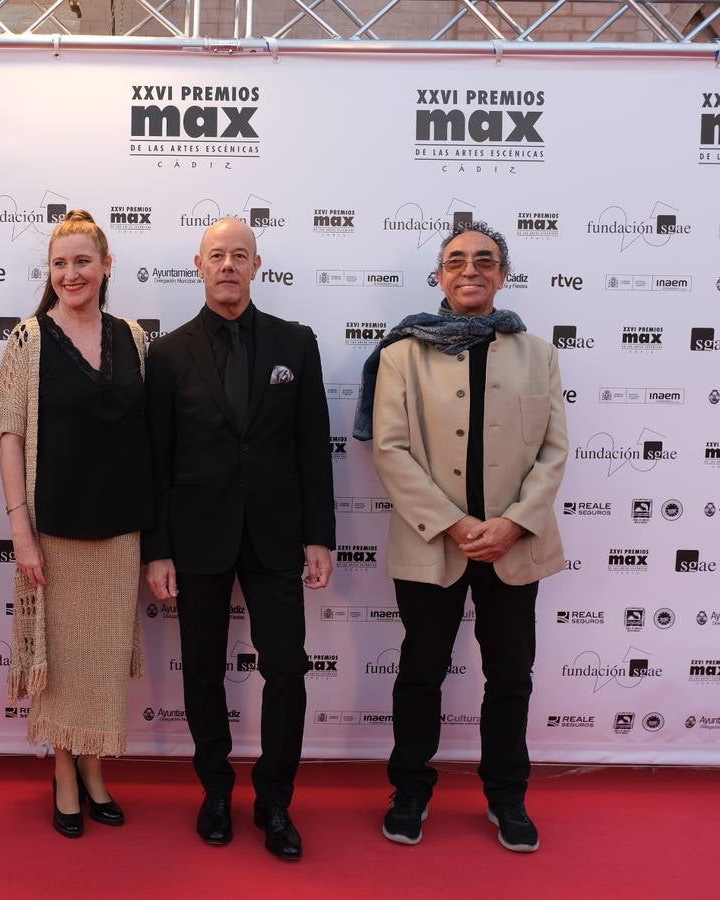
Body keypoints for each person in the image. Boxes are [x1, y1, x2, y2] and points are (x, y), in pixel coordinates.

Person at [354, 221, 567, 853]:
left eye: (485, 260)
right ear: (440, 275)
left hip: (514, 543)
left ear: (502, 274)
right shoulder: (402, 353)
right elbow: (389, 449)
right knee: (420, 672)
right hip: (432, 542)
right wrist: (455, 524)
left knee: (511, 677)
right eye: (456, 260)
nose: (469, 269)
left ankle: (507, 796)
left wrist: (512, 523)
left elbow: (554, 450)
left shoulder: (538, 352)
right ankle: (410, 791)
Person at [144, 217, 335, 860]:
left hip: (278, 536)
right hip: (197, 537)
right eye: (217, 254)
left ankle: (276, 801)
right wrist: (159, 547)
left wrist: (320, 535)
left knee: (285, 666)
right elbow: (158, 461)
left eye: (240, 255)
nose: (228, 264)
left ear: (258, 265)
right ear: (199, 265)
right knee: (201, 670)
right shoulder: (168, 354)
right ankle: (217, 791)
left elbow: (313, 448)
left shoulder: (296, 342)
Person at [0, 210, 151, 838]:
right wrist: (21, 532)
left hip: (119, 531)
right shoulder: (29, 341)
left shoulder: (135, 337)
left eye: (82, 261)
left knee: (104, 656)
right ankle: (63, 770)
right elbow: (10, 437)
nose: (70, 273)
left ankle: (93, 767)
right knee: (57, 660)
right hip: (53, 530)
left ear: (106, 267)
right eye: (60, 264)